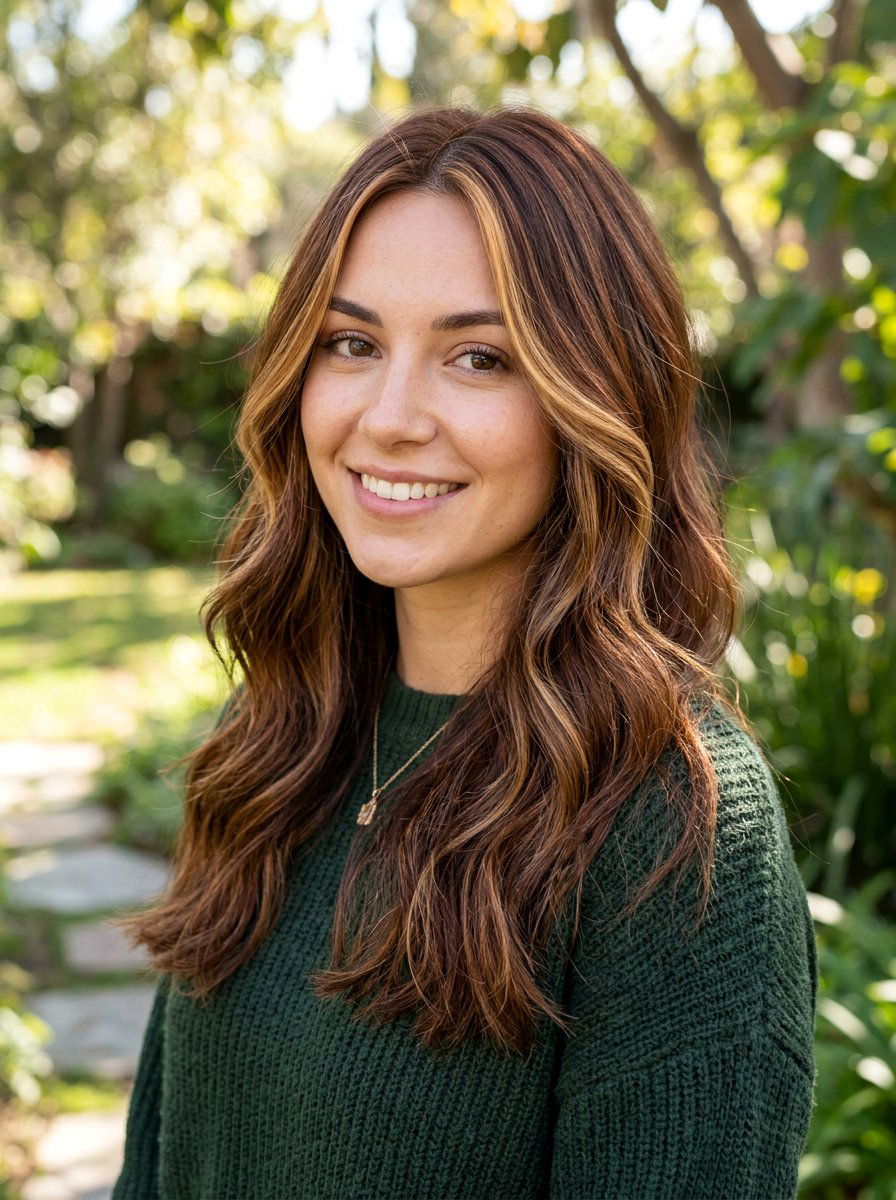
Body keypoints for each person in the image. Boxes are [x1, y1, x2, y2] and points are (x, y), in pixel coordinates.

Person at [110, 104, 817, 1199]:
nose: (389, 416)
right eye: (352, 344)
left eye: (478, 357)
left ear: (592, 398)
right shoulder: (278, 738)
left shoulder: (669, 824)